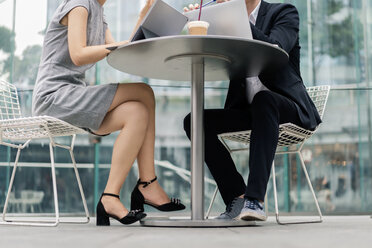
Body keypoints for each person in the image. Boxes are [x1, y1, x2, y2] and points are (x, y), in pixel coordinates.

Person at [32, 0, 185, 226]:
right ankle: (148, 184)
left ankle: (110, 197)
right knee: (144, 91)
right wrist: (117, 45)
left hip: (75, 96)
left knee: (137, 111)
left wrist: (145, 12)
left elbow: (119, 52)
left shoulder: (99, 13)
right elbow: (78, 54)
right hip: (54, 96)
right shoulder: (79, 4)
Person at [183, 0, 321, 221]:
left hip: (286, 107)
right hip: (249, 111)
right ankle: (237, 197)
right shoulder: (225, 19)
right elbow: (216, 61)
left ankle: (255, 200)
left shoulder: (283, 12)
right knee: (194, 120)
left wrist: (233, 20)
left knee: (263, 99)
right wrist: (204, 19)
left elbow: (276, 49)